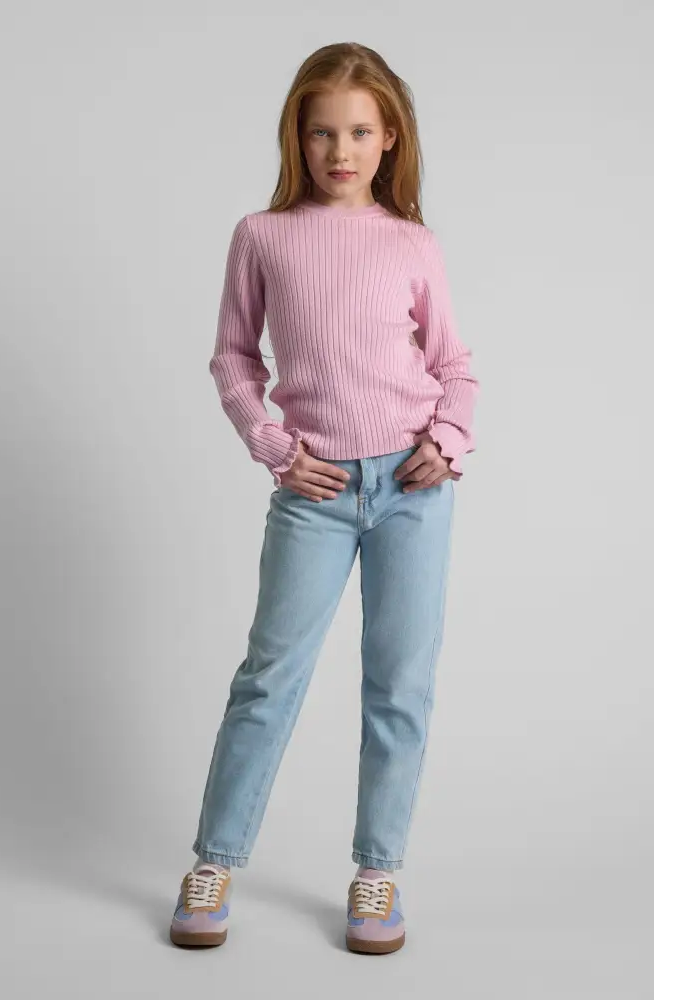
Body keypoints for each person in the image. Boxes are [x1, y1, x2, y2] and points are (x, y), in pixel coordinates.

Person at [170, 42, 480, 956]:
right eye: (320, 132)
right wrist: (272, 443)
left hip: (413, 491)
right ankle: (215, 860)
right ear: (297, 139)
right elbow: (234, 358)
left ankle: (376, 872)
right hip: (314, 490)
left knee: (399, 686)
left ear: (389, 139)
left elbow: (454, 368)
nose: (338, 149)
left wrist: (447, 443)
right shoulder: (262, 237)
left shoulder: (414, 244)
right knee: (269, 677)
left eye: (357, 131)